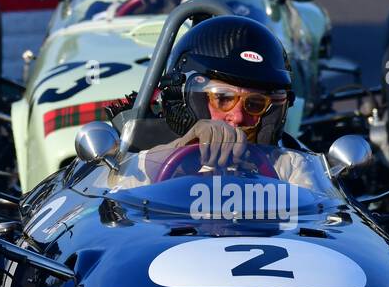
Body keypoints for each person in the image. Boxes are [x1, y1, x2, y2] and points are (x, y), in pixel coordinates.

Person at [108, 15, 321, 190]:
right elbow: (114, 195)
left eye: (255, 104)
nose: (237, 116)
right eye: (223, 98)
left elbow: (320, 216)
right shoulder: (142, 161)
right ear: (190, 100)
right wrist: (181, 150)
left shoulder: (290, 166)